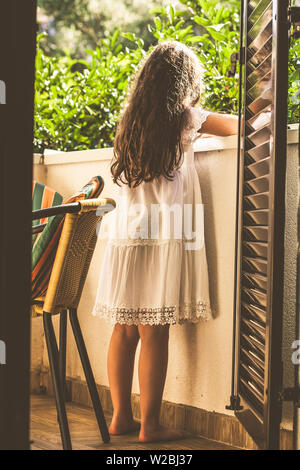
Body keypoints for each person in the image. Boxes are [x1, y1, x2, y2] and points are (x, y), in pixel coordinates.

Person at [92, 41, 238, 443]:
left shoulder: (130, 121)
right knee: (155, 330)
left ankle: (121, 417)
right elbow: (238, 126)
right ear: (183, 85)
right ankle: (150, 425)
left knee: (124, 330)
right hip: (162, 234)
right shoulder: (185, 118)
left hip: (125, 233)